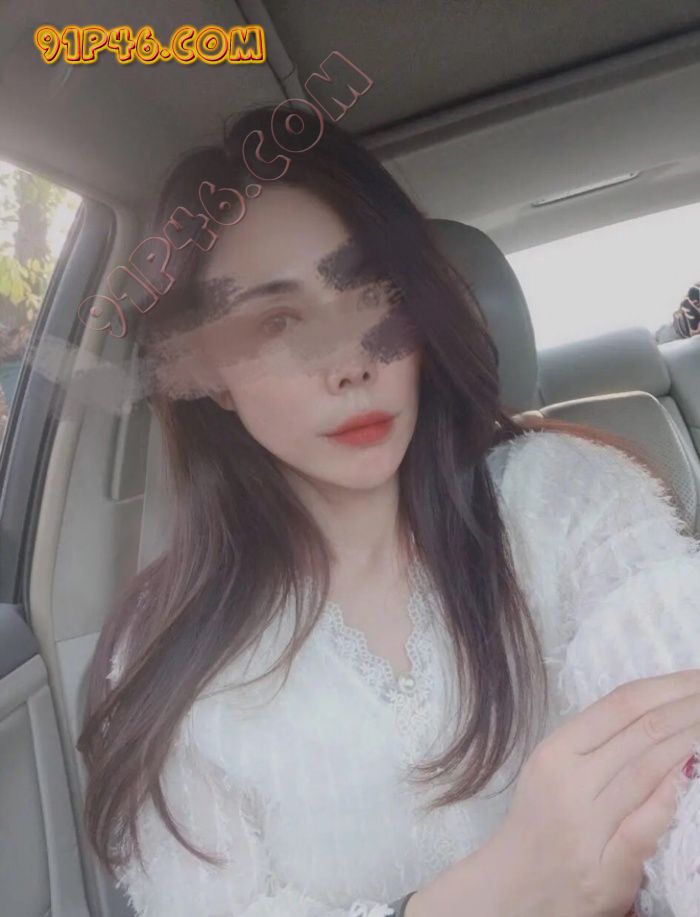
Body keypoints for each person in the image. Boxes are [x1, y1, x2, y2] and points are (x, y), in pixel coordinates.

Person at [77, 103, 700, 917]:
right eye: (276, 321)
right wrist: (488, 895)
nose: (350, 363)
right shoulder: (164, 657)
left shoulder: (568, 500)